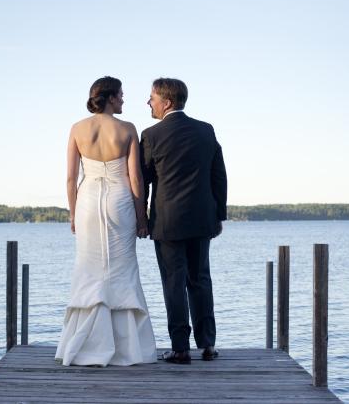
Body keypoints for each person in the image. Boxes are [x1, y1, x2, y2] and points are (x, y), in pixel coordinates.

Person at [55, 76, 157, 367]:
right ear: (110, 98)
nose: (124, 100)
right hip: (119, 199)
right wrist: (141, 218)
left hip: (87, 201)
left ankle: (83, 343)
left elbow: (71, 178)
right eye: (121, 95)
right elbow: (135, 178)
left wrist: (73, 212)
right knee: (122, 268)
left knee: (88, 268)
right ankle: (128, 348)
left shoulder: (77, 129)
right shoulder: (127, 129)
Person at [140, 77, 227, 364]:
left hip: (167, 222)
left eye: (151, 97)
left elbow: (144, 181)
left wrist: (142, 218)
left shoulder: (151, 135)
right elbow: (219, 176)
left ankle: (180, 348)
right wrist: (219, 215)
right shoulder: (206, 130)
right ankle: (207, 345)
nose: (148, 102)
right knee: (200, 280)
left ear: (166, 102)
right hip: (202, 219)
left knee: (174, 283)